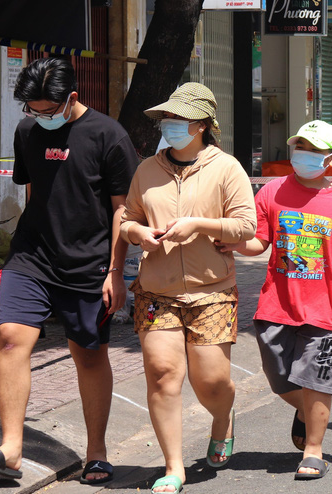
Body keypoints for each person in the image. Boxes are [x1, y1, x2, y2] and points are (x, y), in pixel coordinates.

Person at [0, 57, 138, 484]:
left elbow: (123, 209)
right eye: (32, 109)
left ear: (72, 99)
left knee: (88, 353)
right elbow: (34, 192)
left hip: (89, 263)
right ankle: (11, 449)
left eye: (46, 110)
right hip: (33, 256)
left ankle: (96, 452)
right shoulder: (27, 130)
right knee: (9, 338)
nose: (37, 117)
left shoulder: (109, 136)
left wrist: (116, 271)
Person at [218, 120, 332, 480]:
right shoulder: (273, 193)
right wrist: (234, 244)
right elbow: (259, 241)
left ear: (330, 159)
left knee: (317, 380)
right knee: (279, 379)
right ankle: (308, 411)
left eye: (312, 149)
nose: (303, 155)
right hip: (276, 306)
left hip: (326, 309)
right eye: (300, 147)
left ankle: (313, 450)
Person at [121, 83, 257, 494]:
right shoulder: (147, 169)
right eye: (166, 119)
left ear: (201, 125)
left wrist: (200, 224)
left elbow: (246, 226)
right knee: (163, 375)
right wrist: (137, 232)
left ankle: (222, 419)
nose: (168, 126)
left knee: (211, 382)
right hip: (156, 290)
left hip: (211, 290)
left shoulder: (227, 168)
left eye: (177, 120)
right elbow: (126, 219)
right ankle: (174, 467)